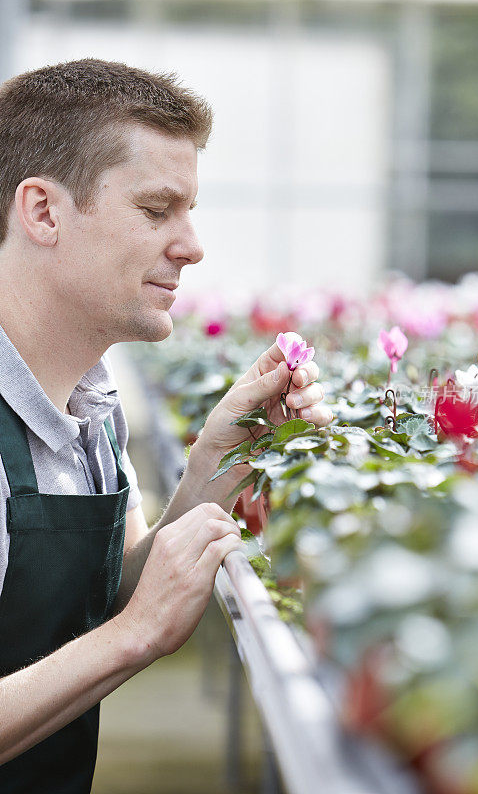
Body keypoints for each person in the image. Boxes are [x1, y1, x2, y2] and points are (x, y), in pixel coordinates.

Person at [0, 58, 333, 792]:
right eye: (157, 210)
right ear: (43, 211)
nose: (191, 245)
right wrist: (134, 640)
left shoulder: (89, 399)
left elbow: (100, 597)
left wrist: (219, 461)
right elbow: (123, 623)